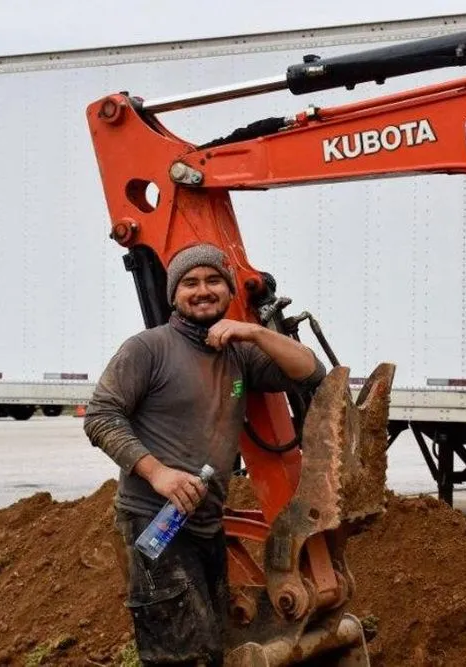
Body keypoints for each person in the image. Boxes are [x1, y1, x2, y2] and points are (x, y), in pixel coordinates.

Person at [83, 242, 326, 666]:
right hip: (153, 521)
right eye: (190, 283)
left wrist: (254, 331)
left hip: (206, 522)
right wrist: (159, 474)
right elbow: (100, 417)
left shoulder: (238, 354)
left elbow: (310, 371)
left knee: (211, 647)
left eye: (213, 280)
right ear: (174, 294)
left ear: (229, 290)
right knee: (180, 654)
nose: (202, 290)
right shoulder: (148, 349)